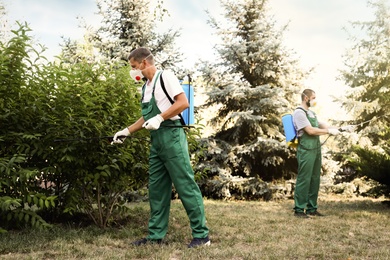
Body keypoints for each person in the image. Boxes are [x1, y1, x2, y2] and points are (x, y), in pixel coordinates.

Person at [112, 47, 210, 248]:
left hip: (172, 136)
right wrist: (127, 131)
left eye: (133, 66)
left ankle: (202, 236)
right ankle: (156, 236)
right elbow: (147, 116)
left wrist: (160, 117)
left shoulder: (165, 77)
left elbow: (183, 103)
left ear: (144, 63)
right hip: (157, 141)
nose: (133, 71)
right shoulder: (145, 86)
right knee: (157, 189)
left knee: (185, 186)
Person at [292, 89, 353, 218]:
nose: (315, 100)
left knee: (315, 179)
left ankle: (311, 208)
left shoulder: (312, 113)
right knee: (304, 179)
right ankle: (299, 209)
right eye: (313, 98)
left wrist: (342, 129)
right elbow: (310, 131)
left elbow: (324, 125)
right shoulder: (299, 113)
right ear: (305, 98)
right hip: (305, 149)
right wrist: (329, 132)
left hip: (315, 149)